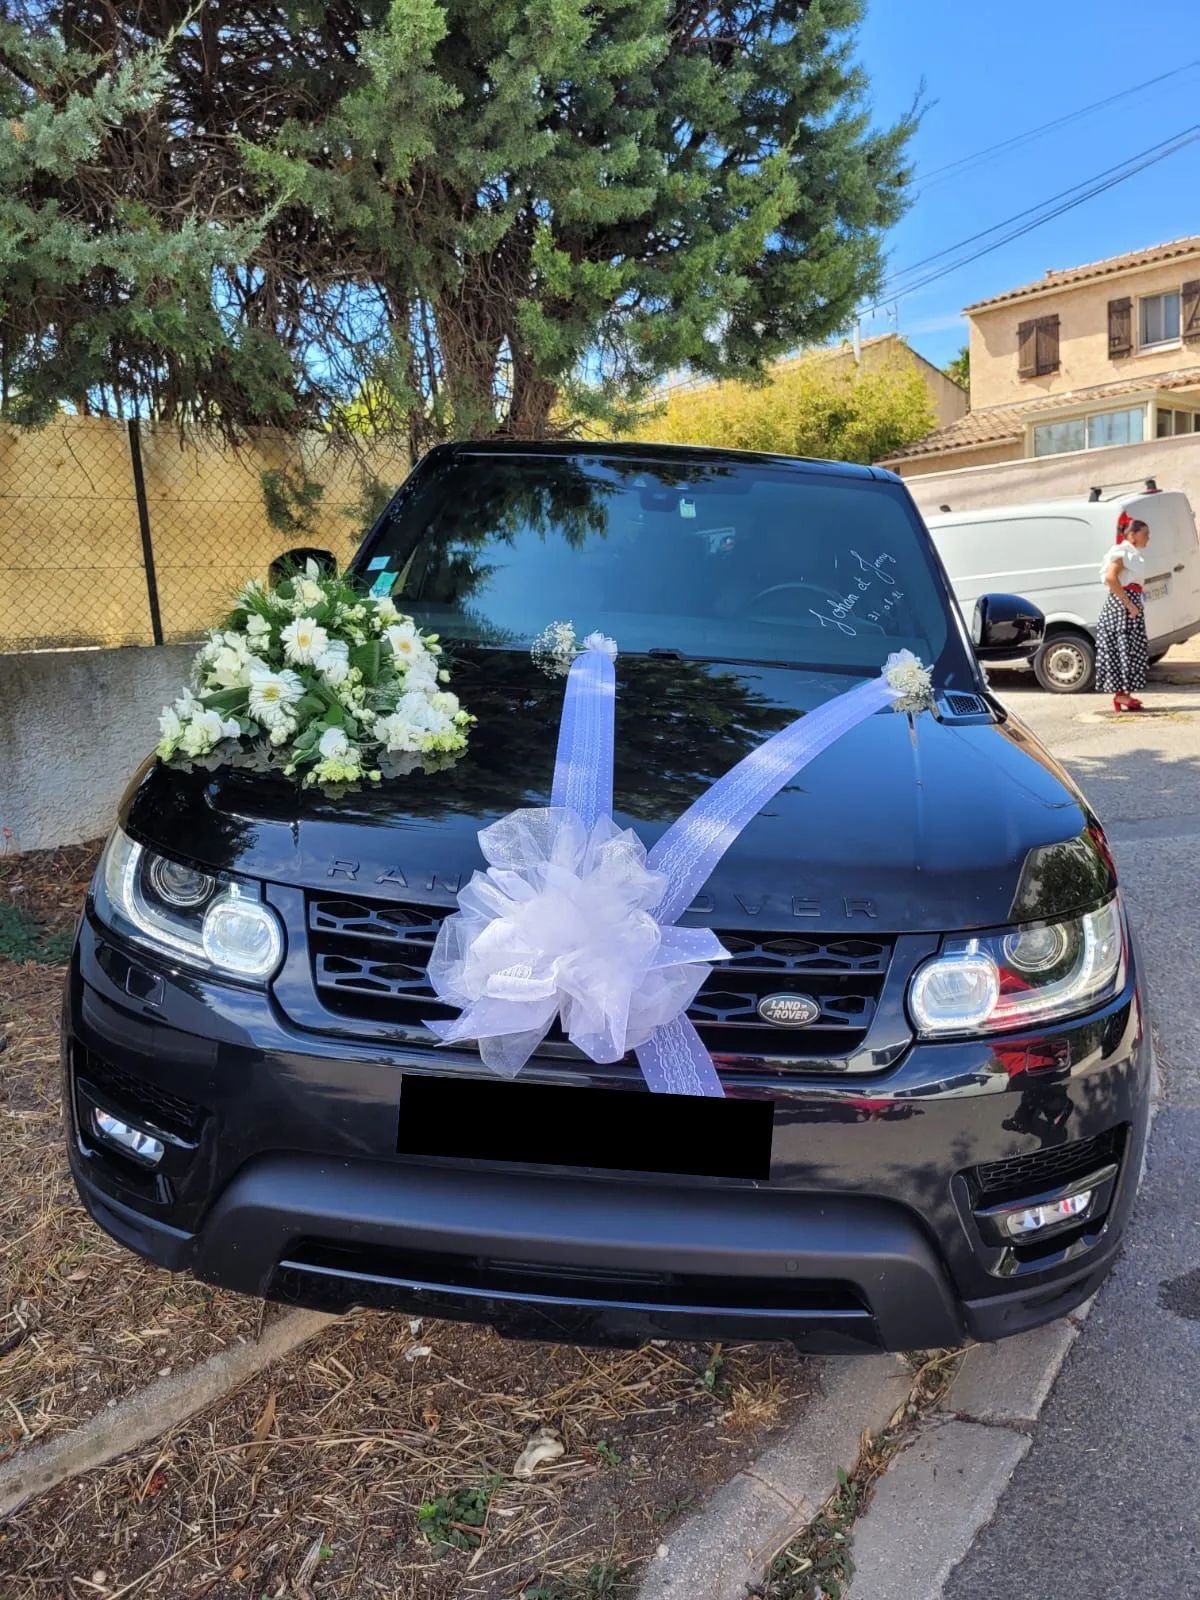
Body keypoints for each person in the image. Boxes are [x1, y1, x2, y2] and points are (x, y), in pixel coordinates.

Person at [1095, 517, 1151, 711]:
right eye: (1145, 534)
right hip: (1122, 607)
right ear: (1132, 535)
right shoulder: (1123, 552)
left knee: (1129, 648)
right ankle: (1120, 695)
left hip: (1130, 603)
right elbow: (1111, 577)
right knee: (1121, 647)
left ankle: (1124, 695)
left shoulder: (1133, 554)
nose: (1148, 538)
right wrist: (1128, 603)